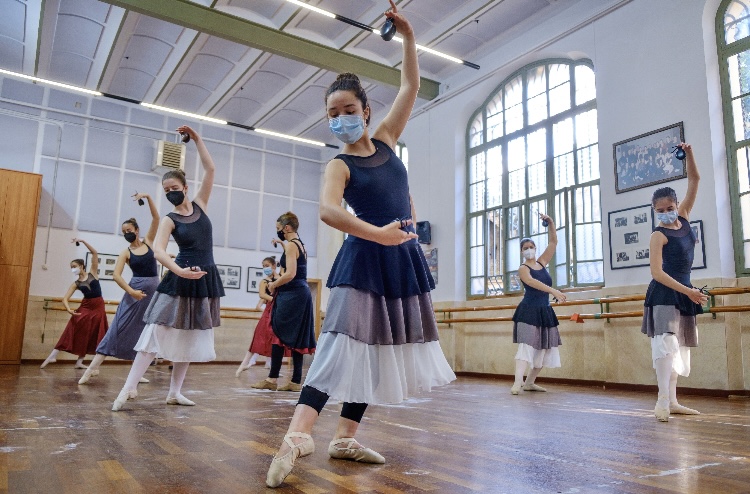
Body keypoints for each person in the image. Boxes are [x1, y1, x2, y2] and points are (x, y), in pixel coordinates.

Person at [263, 2, 455, 488]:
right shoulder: (337, 165)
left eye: (349, 111)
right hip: (362, 260)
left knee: (376, 348)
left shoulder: (389, 139)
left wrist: (410, 36)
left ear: (366, 112)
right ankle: (298, 434)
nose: (342, 119)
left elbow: (411, 85)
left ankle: (345, 436)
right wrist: (379, 234)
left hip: (400, 261)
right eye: (333, 114)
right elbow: (329, 212)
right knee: (339, 344)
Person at [112, 125, 224, 411]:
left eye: (174, 188)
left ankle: (175, 392)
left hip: (204, 278)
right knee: (155, 331)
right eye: (166, 191)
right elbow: (159, 251)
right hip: (178, 277)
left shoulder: (201, 204)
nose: (171, 193)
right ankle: (129, 387)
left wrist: (198, 139)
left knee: (189, 334)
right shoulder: (169, 219)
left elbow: (210, 170)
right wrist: (178, 270)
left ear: (185, 188)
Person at [641, 142, 707, 422]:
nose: (667, 212)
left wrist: (689, 153)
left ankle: (674, 400)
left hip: (685, 291)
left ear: (676, 204)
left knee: (679, 347)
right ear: (655, 212)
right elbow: (657, 273)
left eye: (670, 207)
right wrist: (689, 291)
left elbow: (695, 179)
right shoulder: (658, 235)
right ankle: (662, 401)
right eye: (661, 210)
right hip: (665, 293)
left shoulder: (685, 218)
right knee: (665, 345)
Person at [78, 193, 160, 384]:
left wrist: (147, 197)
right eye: (123, 232)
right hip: (135, 293)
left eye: (129, 230)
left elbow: (156, 218)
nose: (126, 234)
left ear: (137, 230)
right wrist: (131, 292)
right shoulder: (126, 252)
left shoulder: (148, 242)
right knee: (117, 329)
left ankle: (137, 374)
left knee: (144, 332)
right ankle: (91, 369)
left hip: (152, 293)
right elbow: (116, 275)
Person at [251, 213, 315, 392]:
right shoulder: (300, 245)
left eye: (278, 228)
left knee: (277, 332)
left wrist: (273, 284)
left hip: (293, 294)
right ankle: (294, 382)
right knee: (295, 336)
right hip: (299, 293)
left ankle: (272, 379)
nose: (278, 231)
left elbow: (290, 274)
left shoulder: (291, 247)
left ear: (287, 228)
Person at [510, 215, 567, 395]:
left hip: (544, 311)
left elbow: (553, 242)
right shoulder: (523, 269)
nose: (529, 250)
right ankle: (517, 382)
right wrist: (553, 291)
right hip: (528, 310)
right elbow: (532, 282)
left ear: (535, 248)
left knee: (544, 348)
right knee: (526, 346)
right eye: (525, 248)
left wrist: (550, 223)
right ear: (522, 252)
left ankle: (530, 382)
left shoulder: (542, 263)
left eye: (531, 247)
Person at [41, 239, 108, 369]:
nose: (73, 269)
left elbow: (94, 253)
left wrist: (82, 241)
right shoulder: (76, 283)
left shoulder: (93, 273)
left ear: (82, 266)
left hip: (99, 306)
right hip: (86, 306)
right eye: (71, 268)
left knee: (91, 332)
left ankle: (79, 361)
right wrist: (68, 309)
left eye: (74, 266)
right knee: (73, 327)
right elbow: (65, 298)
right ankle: (53, 355)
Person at [236, 255, 280, 376]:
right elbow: (262, 295)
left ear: (274, 265)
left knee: (278, 340)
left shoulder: (281, 278)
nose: (265, 268)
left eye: (267, 266)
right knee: (259, 336)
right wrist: (276, 300)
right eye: (263, 266)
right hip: (270, 310)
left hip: (281, 311)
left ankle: (274, 369)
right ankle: (244, 363)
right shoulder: (264, 281)